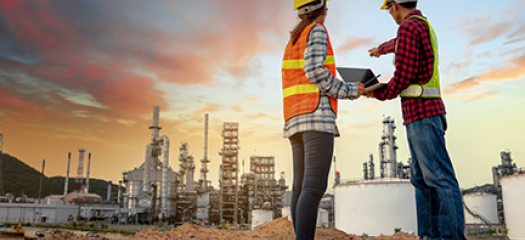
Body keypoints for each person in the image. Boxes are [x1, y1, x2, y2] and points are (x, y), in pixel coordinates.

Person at [367, 1, 466, 239]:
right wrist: (381, 49)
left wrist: (377, 92)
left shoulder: (408, 28)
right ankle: (429, 235)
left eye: (389, 8)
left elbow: (403, 76)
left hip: (423, 115)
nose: (390, 13)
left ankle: (450, 236)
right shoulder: (421, 26)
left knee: (440, 179)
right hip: (420, 115)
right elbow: (400, 45)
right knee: (421, 180)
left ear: (394, 6)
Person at [282, 0, 365, 239]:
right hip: (316, 116)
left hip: (295, 118)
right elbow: (315, 71)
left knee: (300, 188)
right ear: (322, 8)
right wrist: (351, 90)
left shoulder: (294, 39)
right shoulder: (316, 30)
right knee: (314, 187)